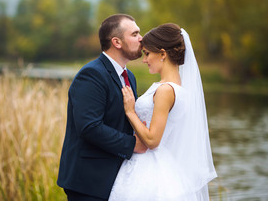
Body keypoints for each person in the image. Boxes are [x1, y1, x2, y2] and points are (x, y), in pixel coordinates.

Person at [109, 23, 217, 200]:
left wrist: (130, 112)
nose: (144, 60)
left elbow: (152, 140)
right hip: (163, 165)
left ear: (163, 54)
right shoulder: (179, 89)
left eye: (147, 54)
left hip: (149, 169)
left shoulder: (166, 91)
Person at [57, 14, 148, 201]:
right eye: (135, 34)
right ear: (117, 42)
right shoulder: (92, 74)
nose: (141, 38)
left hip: (117, 179)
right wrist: (132, 144)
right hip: (88, 181)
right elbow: (89, 127)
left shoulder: (129, 76)